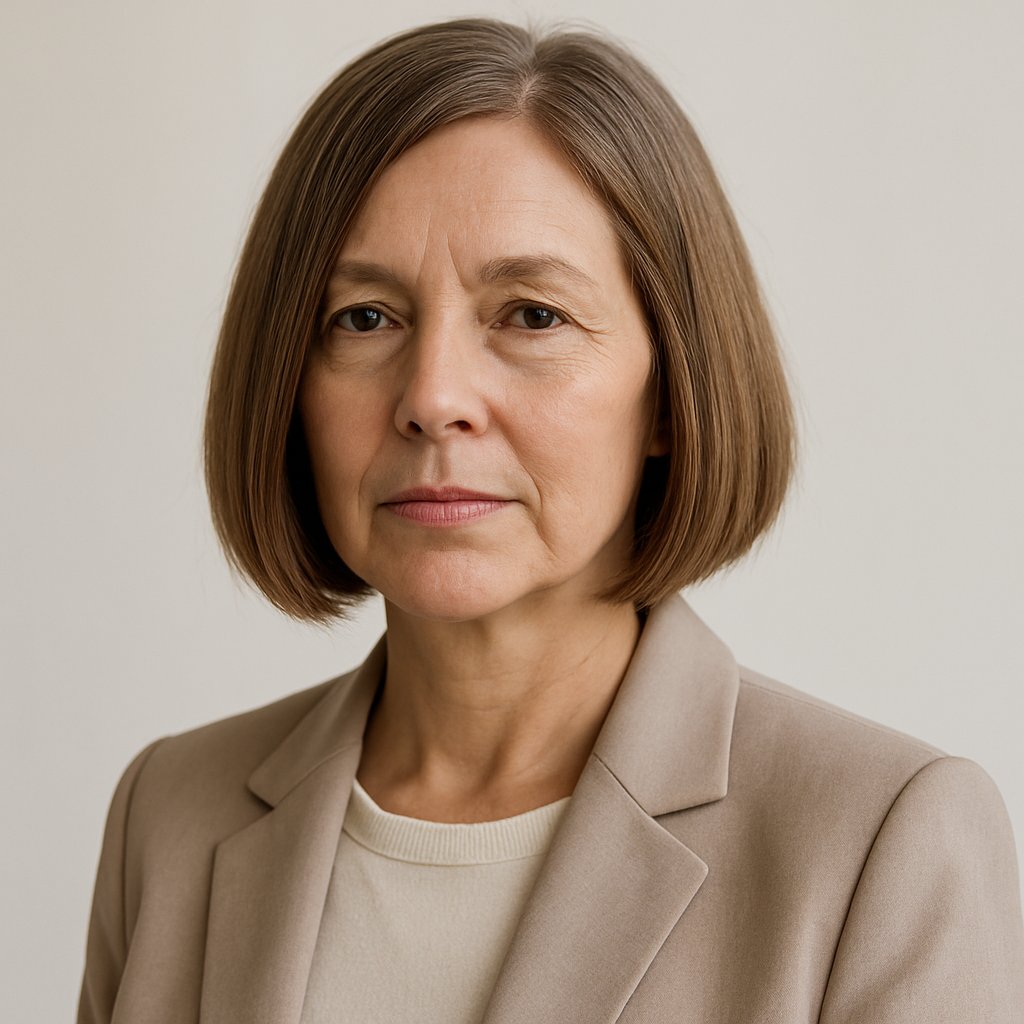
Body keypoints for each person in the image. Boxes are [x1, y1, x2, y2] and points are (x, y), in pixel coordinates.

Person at [77, 16, 1024, 1024]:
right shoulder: (171, 811)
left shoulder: (881, 839)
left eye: (531, 314)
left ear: (670, 393)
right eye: (363, 317)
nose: (433, 395)